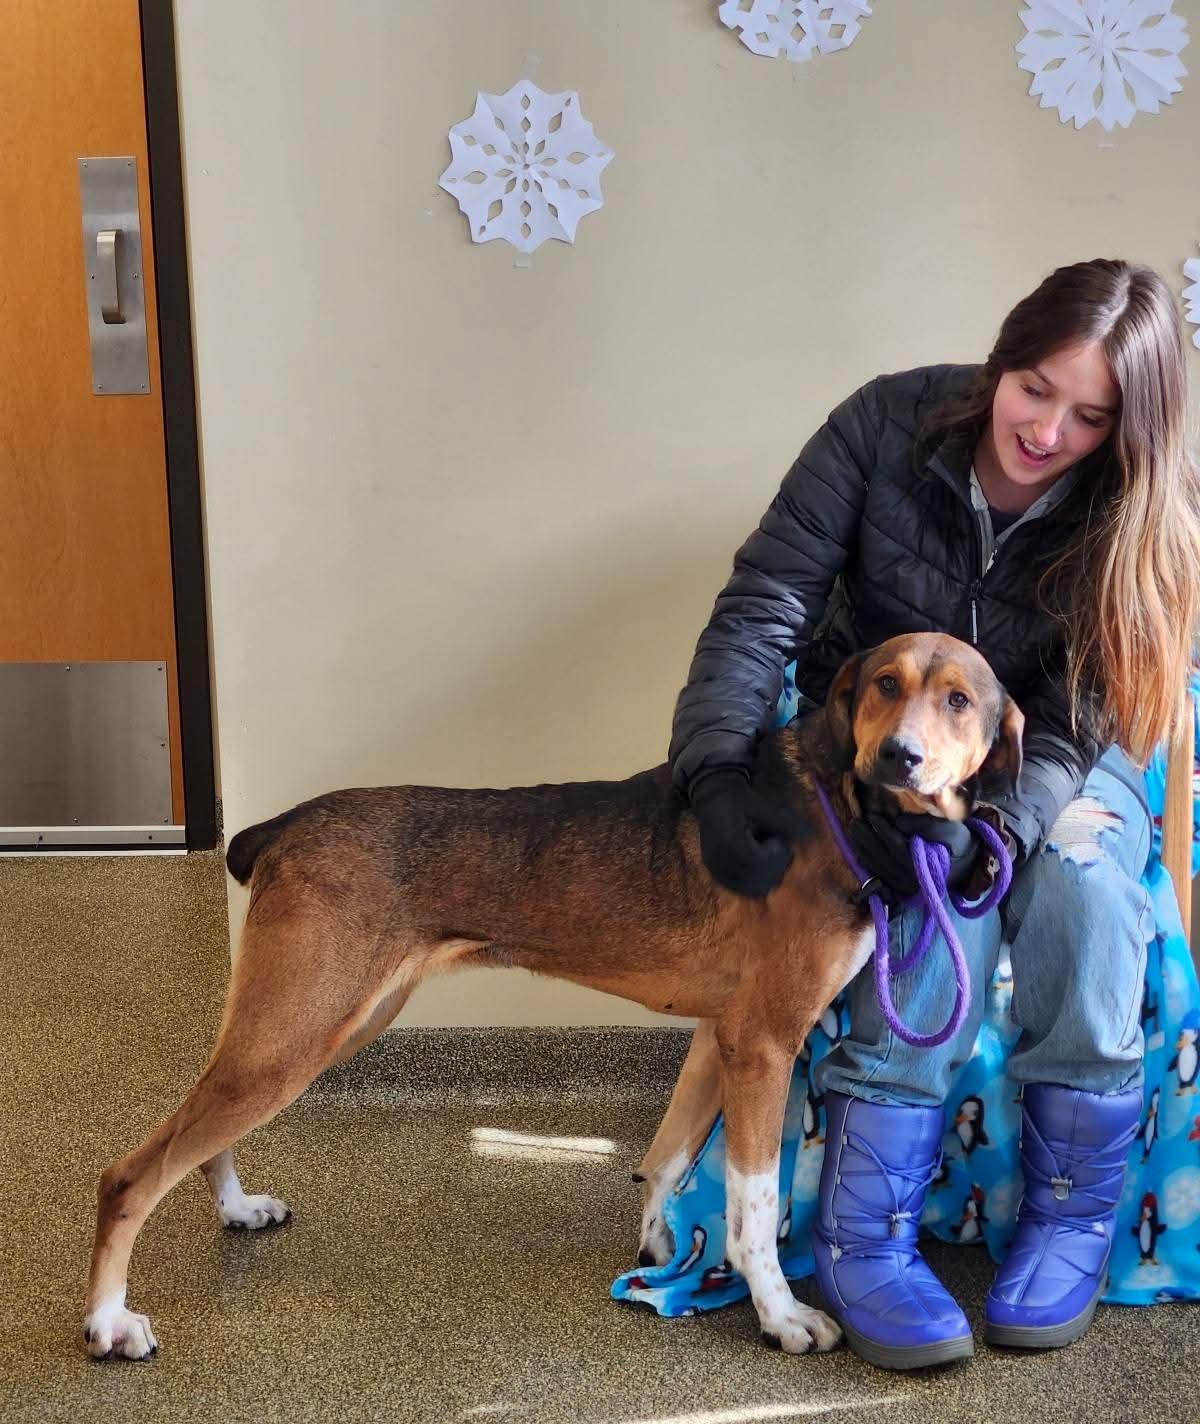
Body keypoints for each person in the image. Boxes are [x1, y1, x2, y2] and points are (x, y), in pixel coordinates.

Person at [669, 259, 1200, 1370]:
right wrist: (711, 774)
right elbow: (765, 602)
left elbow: (1080, 712)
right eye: (1034, 387)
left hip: (1052, 752)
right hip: (874, 746)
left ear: (1129, 428)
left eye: (1091, 414)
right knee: (916, 905)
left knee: (1086, 890)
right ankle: (866, 1233)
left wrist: (1000, 826)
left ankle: (1068, 1223)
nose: (1049, 429)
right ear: (1003, 356)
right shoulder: (883, 422)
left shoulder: (1132, 515)